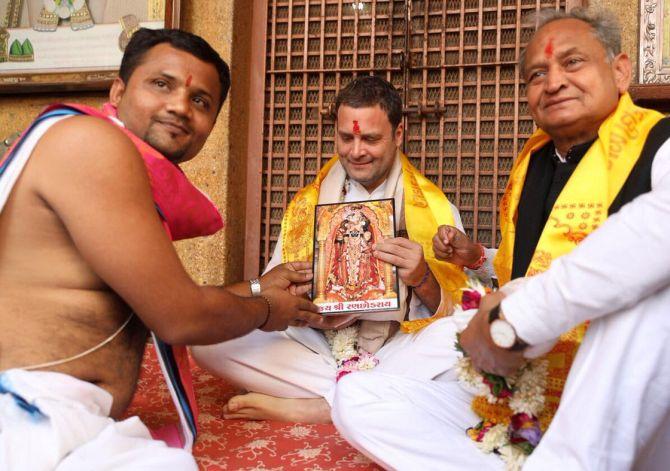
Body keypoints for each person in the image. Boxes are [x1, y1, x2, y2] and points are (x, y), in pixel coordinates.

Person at [331, 8, 670, 470]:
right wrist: (478, 258)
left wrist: (516, 317)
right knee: (356, 398)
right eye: (537, 73)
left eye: (573, 63)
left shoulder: (660, 145)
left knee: (650, 301)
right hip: (520, 381)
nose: (553, 82)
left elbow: (653, 235)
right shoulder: (534, 165)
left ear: (620, 70)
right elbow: (524, 273)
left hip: (611, 392)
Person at [0, 28, 321, 469]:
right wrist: (267, 309)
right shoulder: (90, 144)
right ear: (118, 90)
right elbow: (179, 316)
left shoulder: (113, 155)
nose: (180, 107)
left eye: (201, 101)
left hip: (59, 414)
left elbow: (155, 297)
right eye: (161, 84)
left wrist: (254, 286)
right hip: (23, 415)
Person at [192, 75, 493, 423]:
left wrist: (423, 277)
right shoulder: (308, 205)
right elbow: (274, 299)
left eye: (370, 138)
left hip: (397, 350)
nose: (356, 151)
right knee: (207, 340)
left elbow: (457, 306)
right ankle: (360, 398)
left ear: (398, 134)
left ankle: (323, 407)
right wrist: (297, 298)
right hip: (317, 345)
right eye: (346, 137)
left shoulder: (434, 210)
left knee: (471, 330)